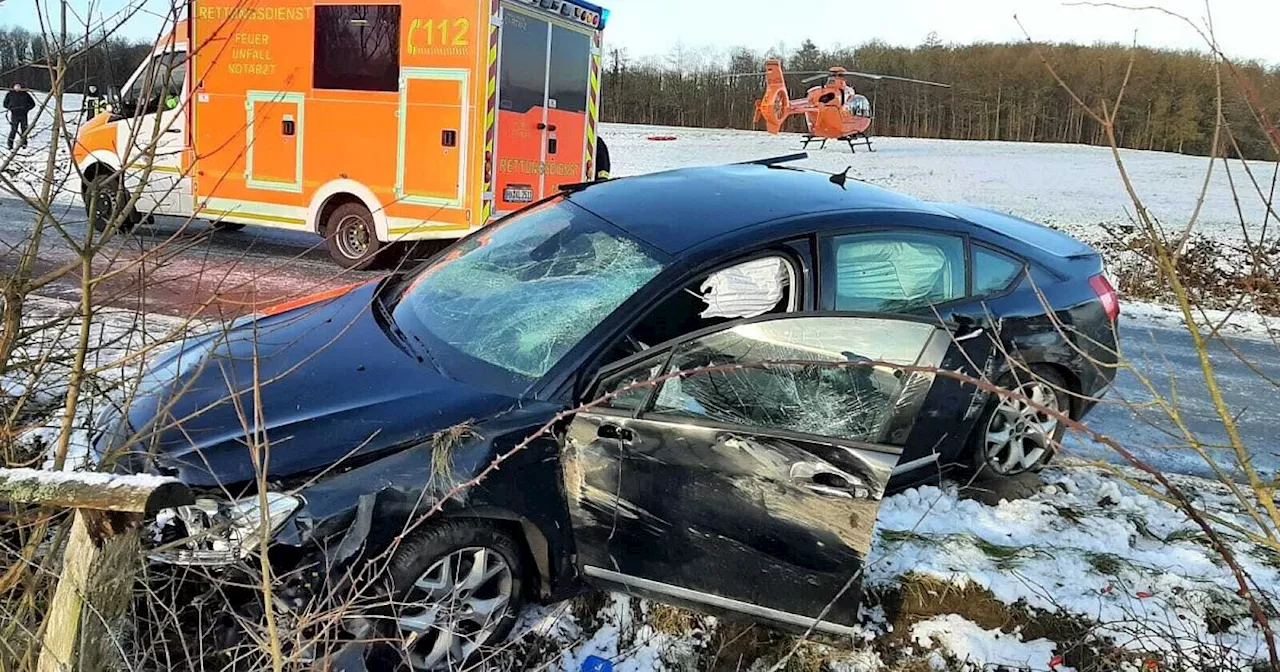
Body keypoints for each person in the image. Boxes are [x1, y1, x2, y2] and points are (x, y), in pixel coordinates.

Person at [5, 83, 36, 150]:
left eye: (19, 87)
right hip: (14, 115)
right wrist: (11, 108)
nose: (17, 88)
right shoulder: (10, 94)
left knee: (24, 129)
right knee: (13, 130)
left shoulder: (25, 94)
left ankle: (24, 144)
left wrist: (26, 109)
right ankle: (10, 145)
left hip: (23, 115)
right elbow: (5, 104)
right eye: (16, 87)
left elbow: (32, 104)